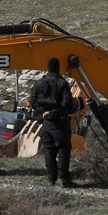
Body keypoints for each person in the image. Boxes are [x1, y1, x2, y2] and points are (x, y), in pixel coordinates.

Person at [29, 57, 76, 187]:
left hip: (47, 124)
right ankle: (65, 181)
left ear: (48, 68)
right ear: (58, 67)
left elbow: (33, 101)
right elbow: (66, 104)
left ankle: (51, 180)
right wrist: (53, 113)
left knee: (49, 151)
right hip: (60, 123)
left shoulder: (39, 83)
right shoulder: (62, 83)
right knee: (63, 151)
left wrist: (43, 113)